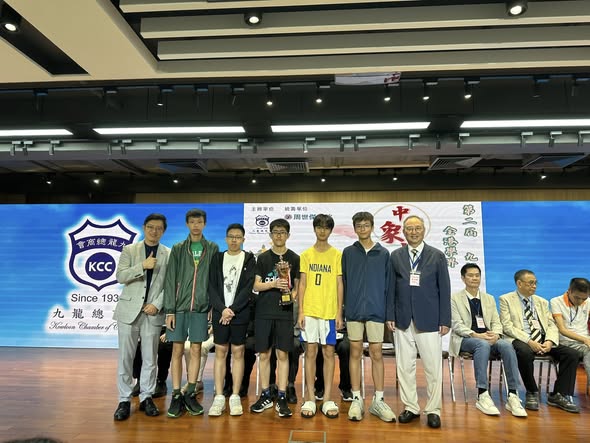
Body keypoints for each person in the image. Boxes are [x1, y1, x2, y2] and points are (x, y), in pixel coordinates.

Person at [388, 215, 450, 429]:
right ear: (403, 232)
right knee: (405, 367)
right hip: (402, 319)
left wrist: (445, 319)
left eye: (417, 228)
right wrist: (390, 315)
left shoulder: (437, 256)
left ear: (424, 230)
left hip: (430, 319)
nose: (413, 232)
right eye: (409, 229)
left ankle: (433, 410)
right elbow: (391, 288)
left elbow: (445, 289)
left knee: (433, 367)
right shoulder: (396, 256)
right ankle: (411, 407)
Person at [113, 213, 170, 421]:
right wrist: (142, 267)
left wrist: (157, 304)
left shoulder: (168, 254)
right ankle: (124, 399)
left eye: (159, 228)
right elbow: (120, 276)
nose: (154, 231)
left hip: (152, 313)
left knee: (150, 358)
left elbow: (170, 284)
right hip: (129, 311)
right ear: (144, 227)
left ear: (163, 231)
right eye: (151, 227)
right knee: (125, 357)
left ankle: (147, 396)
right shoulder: (130, 250)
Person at [450, 263, 527, 417]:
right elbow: (456, 324)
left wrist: (496, 334)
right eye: (470, 275)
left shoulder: (489, 298)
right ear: (463, 278)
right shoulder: (455, 298)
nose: (474, 278)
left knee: (506, 345)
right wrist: (476, 335)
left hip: (489, 337)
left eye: (477, 275)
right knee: (482, 345)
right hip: (466, 338)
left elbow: (496, 321)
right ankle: (482, 394)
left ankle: (513, 394)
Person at [163, 208, 219, 418]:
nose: (196, 225)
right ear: (187, 224)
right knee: (177, 350)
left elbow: (214, 279)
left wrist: (212, 307)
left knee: (196, 349)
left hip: (201, 308)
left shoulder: (212, 248)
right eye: (192, 222)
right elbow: (170, 280)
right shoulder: (178, 248)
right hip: (178, 308)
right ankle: (176, 394)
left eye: (199, 222)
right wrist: (170, 310)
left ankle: (191, 392)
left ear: (204, 224)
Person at [499, 269, 580, 413]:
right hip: (520, 338)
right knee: (524, 352)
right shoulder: (506, 299)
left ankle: (558, 394)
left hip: (542, 339)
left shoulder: (541, 301)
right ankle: (531, 391)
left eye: (536, 283)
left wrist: (549, 341)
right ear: (519, 283)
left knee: (571, 354)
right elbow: (507, 326)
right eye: (530, 283)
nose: (534, 286)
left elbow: (551, 325)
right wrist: (529, 341)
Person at [342, 211, 395, 422]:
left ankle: (378, 400)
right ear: (354, 229)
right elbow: (343, 283)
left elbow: (389, 286)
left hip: (376, 310)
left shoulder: (383, 254)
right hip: (354, 310)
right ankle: (356, 398)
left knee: (376, 353)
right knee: (355, 352)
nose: (362, 229)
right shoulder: (348, 252)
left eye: (366, 225)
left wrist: (388, 313)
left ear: (372, 227)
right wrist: (343, 310)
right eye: (359, 226)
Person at [250, 218, 300, 418]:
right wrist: (273, 284)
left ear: (288, 235)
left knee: (283, 355)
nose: (279, 235)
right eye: (276, 232)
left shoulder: (294, 258)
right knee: (264, 354)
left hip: (284, 313)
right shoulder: (262, 258)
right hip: (264, 312)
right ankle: (265, 394)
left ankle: (282, 396)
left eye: (282, 232)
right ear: (270, 235)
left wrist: (290, 295)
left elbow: (297, 287)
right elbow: (256, 285)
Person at [207, 223, 256, 417]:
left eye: (238, 237)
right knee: (220, 351)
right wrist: (222, 309)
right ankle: (219, 396)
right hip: (220, 313)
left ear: (243, 239)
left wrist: (232, 309)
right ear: (226, 239)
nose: (234, 240)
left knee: (238, 352)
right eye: (231, 236)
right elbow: (211, 286)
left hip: (239, 313)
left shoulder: (249, 258)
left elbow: (248, 287)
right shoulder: (217, 258)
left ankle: (235, 395)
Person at [298, 214, 343, 419]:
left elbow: (339, 284)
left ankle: (326, 399)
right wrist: (300, 311)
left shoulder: (337, 255)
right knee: (310, 352)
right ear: (314, 229)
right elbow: (303, 283)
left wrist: (339, 312)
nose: (322, 231)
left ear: (330, 231)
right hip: (310, 311)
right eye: (319, 227)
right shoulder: (306, 255)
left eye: (326, 227)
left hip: (329, 312)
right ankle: (309, 397)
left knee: (328, 353)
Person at [550, 278, 590, 386]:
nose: (580, 301)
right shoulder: (556, 302)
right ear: (569, 291)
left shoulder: (588, 302)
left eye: (584, 298)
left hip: (585, 341)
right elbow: (562, 330)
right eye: (577, 298)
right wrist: (585, 340)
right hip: (566, 341)